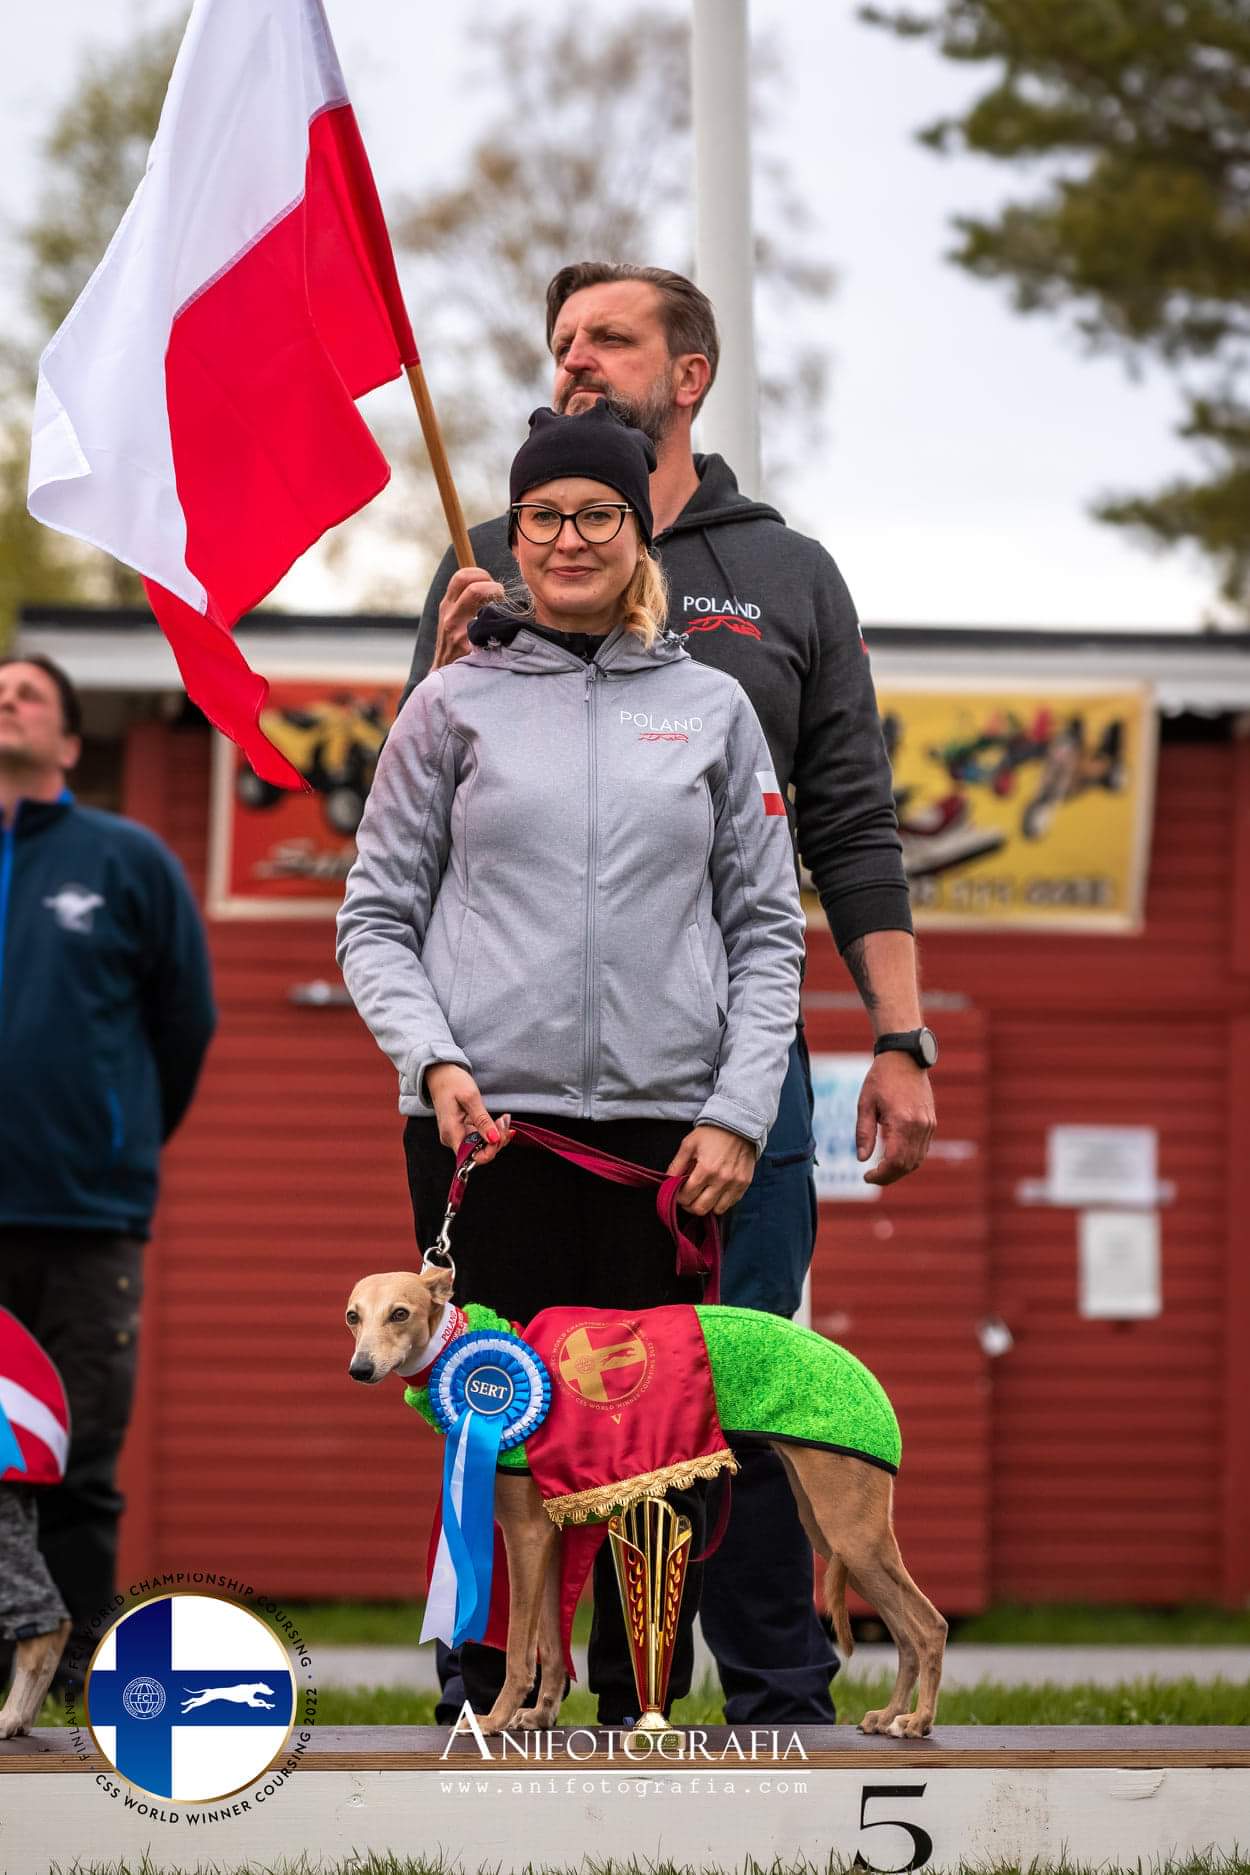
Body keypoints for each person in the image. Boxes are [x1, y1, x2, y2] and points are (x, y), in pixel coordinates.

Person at [403, 263, 937, 1726]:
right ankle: (493, 1689)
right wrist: (447, 663)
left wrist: (897, 1037)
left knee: (743, 1377)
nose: (573, 363)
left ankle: (773, 1694)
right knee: (503, 1395)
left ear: (685, 373)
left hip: (725, 1075)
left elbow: (849, 824)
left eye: (608, 340)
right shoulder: (485, 555)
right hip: (530, 1095)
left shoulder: (785, 574)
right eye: (560, 342)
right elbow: (416, 832)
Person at [337, 401, 805, 1724]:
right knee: (497, 1436)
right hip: (485, 1129)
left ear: (635, 531)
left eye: (597, 511)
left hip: (669, 1144)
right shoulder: (450, 704)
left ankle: (636, 1700)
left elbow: (769, 932)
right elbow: (374, 915)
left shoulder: (712, 708)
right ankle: (480, 1697)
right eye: (542, 513)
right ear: (514, 530)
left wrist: (733, 1110)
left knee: (650, 1447)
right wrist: (432, 1060)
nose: (568, 537)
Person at [0, 655, 216, 1689]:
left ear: (72, 743)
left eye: (30, 692)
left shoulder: (125, 859)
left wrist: (117, 1136)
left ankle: (83, 1673)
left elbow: (186, 1023)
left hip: (85, 1216)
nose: (7, 699)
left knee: (77, 1456)